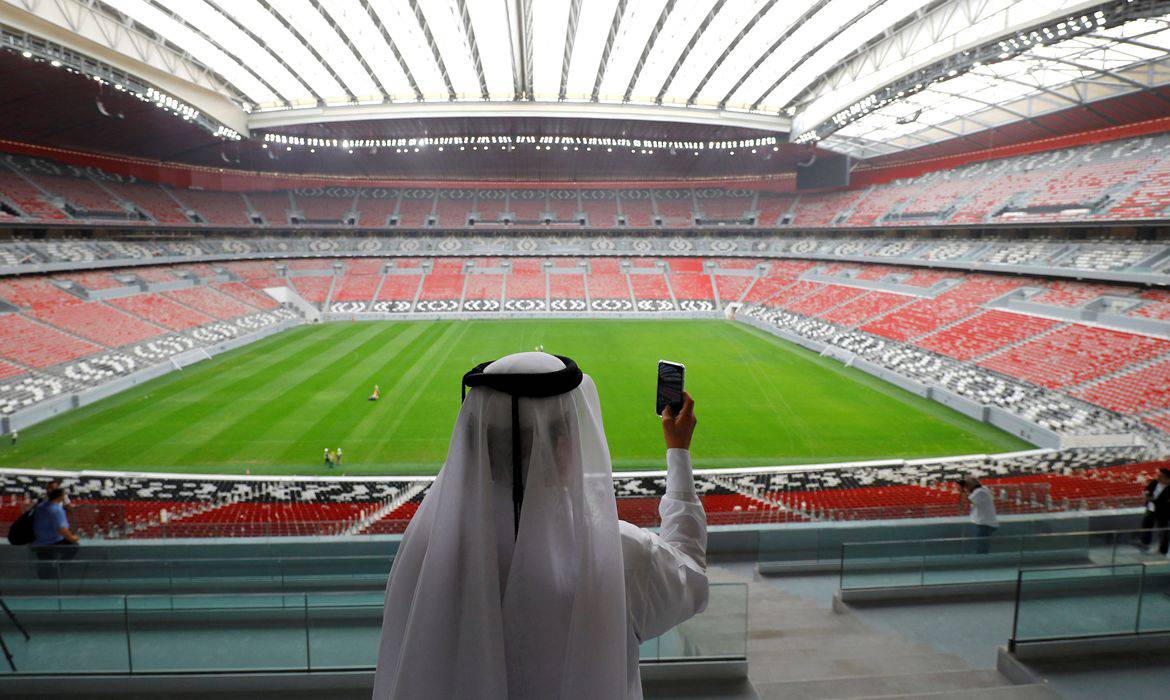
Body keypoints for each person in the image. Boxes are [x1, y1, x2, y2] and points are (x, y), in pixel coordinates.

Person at [373, 352, 707, 699]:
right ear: (562, 447)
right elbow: (691, 574)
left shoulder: (425, 554)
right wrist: (678, 453)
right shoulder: (618, 558)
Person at [31, 487, 80, 579]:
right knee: (74, 546)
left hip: (38, 539)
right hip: (50, 540)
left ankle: (44, 579)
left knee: (44, 562)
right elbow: (62, 529)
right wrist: (73, 538)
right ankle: (58, 568)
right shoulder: (56, 509)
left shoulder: (41, 506)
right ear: (60, 497)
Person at [1138, 467, 1170, 556]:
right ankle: (1145, 544)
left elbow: (1164, 502)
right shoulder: (1154, 482)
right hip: (1150, 509)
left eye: (1159, 476)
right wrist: (1147, 494)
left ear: (1165, 477)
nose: (1157, 477)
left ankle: (1163, 550)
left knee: (1163, 532)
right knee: (1146, 527)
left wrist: (1152, 499)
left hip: (1162, 513)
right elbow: (1147, 489)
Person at [963, 476, 998, 553]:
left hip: (984, 522)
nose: (965, 488)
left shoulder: (979, 492)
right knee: (982, 542)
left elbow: (967, 501)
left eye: (966, 486)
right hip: (986, 521)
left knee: (981, 542)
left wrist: (965, 492)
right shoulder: (983, 489)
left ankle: (982, 557)